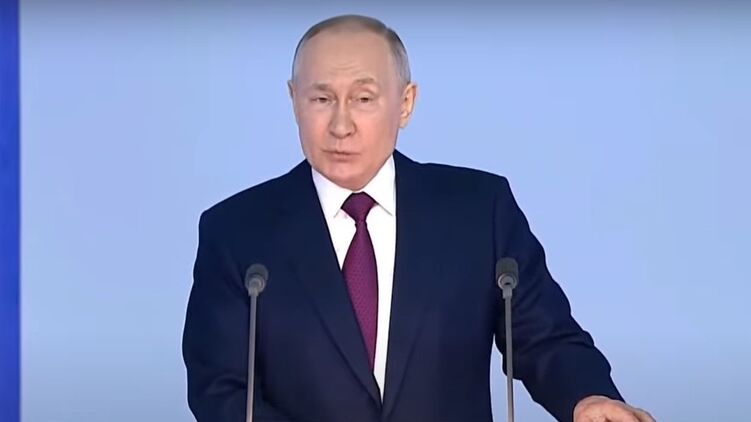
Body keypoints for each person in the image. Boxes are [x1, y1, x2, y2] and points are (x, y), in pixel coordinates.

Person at [182, 14, 655, 422]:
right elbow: (220, 390)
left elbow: (544, 339)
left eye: (364, 99)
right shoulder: (236, 232)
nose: (341, 125)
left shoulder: (478, 209)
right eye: (321, 99)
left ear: (405, 103)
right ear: (293, 100)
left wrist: (586, 397)